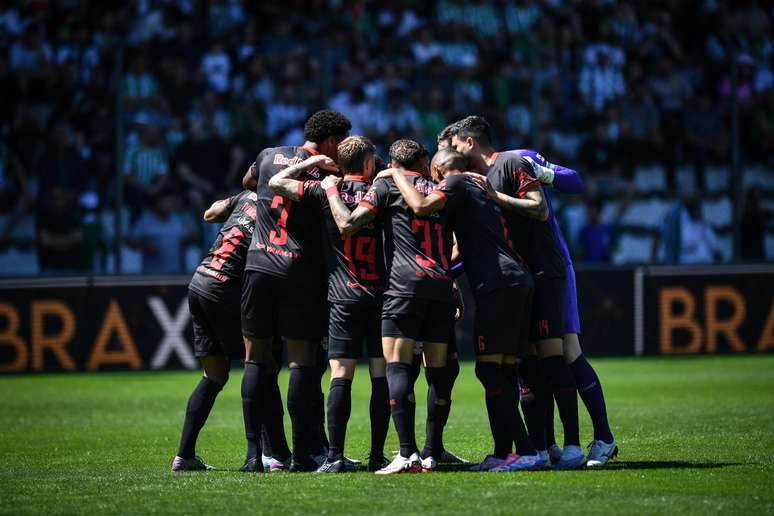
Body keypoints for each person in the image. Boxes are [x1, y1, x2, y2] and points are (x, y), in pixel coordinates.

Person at [381, 148, 542, 472]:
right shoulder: (473, 188)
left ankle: (525, 451)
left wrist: (396, 172)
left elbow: (421, 205)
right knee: (505, 370)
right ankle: (504, 453)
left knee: (490, 370)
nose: (432, 183)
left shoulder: (454, 183)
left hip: (498, 283)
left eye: (434, 177)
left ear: (438, 169)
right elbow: (457, 247)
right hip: (515, 278)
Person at [449, 116, 585, 470]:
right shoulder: (473, 180)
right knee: (526, 365)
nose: (451, 154)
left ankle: (573, 445)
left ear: (469, 142)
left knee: (553, 357)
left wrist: (497, 196)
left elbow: (538, 208)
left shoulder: (511, 163)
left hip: (543, 269)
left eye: (453, 146)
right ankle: (540, 446)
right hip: (519, 275)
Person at [325, 139, 454, 475]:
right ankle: (432, 453)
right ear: (424, 161)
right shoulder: (443, 187)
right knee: (437, 371)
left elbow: (351, 223)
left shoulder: (385, 184)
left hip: (403, 286)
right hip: (440, 286)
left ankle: (407, 454)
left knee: (396, 367)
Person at [267, 135, 391, 473]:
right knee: (381, 376)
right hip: (379, 295)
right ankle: (377, 457)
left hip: (342, 295)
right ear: (368, 164)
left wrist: (314, 166)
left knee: (340, 375)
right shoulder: (382, 192)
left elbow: (275, 182)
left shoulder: (323, 189)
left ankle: (334, 456)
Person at [239, 109, 351, 473]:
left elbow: (247, 182)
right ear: (331, 141)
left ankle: (256, 455)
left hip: (257, 264)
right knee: (301, 362)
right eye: (341, 143)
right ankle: (304, 455)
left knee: (256, 359)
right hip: (298, 269)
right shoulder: (328, 170)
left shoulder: (268, 154)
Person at [518, 149, 619, 467]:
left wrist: (542, 173)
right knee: (539, 356)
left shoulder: (519, 159)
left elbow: (574, 181)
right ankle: (548, 445)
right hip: (531, 273)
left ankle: (604, 437)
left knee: (569, 352)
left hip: (555, 268)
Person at [171, 189, 256, 472]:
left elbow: (209, 214)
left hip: (200, 279)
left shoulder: (245, 197)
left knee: (215, 374)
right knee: (257, 364)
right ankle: (257, 455)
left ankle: (184, 456)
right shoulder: (273, 207)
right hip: (224, 288)